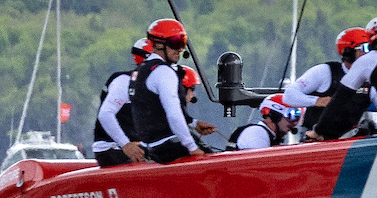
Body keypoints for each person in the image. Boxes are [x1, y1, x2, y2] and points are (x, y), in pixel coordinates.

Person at [117, 18, 217, 163]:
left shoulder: (140, 70)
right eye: (176, 42)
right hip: (169, 147)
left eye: (183, 42)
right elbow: (173, 114)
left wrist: (194, 123)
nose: (180, 49)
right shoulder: (164, 72)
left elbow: (154, 108)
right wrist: (192, 147)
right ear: (158, 44)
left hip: (151, 147)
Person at [277, 27, 377, 141]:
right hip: (317, 139)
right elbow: (289, 95)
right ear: (349, 52)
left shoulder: (371, 77)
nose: (369, 53)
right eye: (366, 48)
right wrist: (317, 101)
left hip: (350, 140)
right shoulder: (325, 72)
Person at [91, 38, 151, 168]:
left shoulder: (153, 86)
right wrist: (125, 144)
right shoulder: (124, 81)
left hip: (134, 146)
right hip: (112, 149)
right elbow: (105, 114)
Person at [229, 95, 299, 150]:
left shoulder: (268, 136)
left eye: (298, 115)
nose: (295, 123)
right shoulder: (257, 133)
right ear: (274, 115)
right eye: (291, 115)